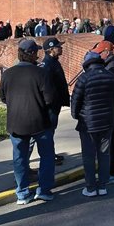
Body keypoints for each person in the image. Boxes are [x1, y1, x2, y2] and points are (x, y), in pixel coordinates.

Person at [0, 39, 56, 204]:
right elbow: (50, 98)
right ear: (31, 54)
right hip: (39, 122)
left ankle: (22, 193)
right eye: (35, 52)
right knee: (46, 156)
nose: (38, 54)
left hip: (16, 123)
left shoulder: (7, 74)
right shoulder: (40, 73)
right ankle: (44, 190)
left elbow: (3, 97)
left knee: (19, 158)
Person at [71, 49, 114, 197]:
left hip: (88, 123)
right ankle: (103, 185)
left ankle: (91, 187)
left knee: (89, 156)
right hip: (107, 121)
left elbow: (75, 101)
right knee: (104, 154)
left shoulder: (84, 79)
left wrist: (76, 115)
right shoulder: (111, 76)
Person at [92, 40, 114, 184]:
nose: (98, 56)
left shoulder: (112, 67)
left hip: (112, 109)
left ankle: (113, 172)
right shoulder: (113, 65)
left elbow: (111, 91)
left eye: (100, 53)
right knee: (112, 142)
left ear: (107, 52)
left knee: (110, 143)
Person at [40, 38, 69, 166]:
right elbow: (47, 87)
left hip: (55, 105)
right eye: (58, 47)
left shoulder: (54, 62)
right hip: (51, 106)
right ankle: (48, 155)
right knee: (48, 132)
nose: (61, 48)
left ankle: (50, 153)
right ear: (51, 50)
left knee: (51, 132)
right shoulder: (47, 65)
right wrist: (52, 103)